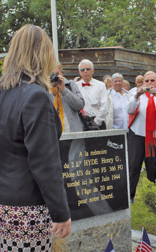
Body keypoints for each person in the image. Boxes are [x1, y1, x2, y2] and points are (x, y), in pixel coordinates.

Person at [0, 24, 71, 251]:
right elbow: (44, 161)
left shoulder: (3, 92)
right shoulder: (36, 97)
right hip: (26, 209)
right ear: (43, 53)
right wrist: (60, 212)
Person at [127, 71, 156, 202]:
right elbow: (129, 110)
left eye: (152, 81)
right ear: (143, 82)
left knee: (154, 166)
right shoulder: (135, 94)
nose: (149, 83)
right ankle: (130, 196)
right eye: (147, 81)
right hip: (138, 134)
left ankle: (155, 196)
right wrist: (136, 96)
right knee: (134, 165)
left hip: (155, 135)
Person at [50, 62, 85, 132]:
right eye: (52, 75)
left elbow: (80, 105)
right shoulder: (45, 88)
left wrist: (64, 89)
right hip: (54, 133)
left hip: (73, 132)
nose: (55, 77)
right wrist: (47, 86)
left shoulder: (70, 84)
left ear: (61, 73)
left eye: (57, 74)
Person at [76, 59, 108, 129]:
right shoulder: (75, 86)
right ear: (79, 72)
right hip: (80, 123)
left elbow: (104, 107)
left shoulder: (101, 85)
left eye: (88, 69)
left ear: (92, 70)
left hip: (97, 123)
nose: (85, 71)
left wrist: (95, 123)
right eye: (82, 70)